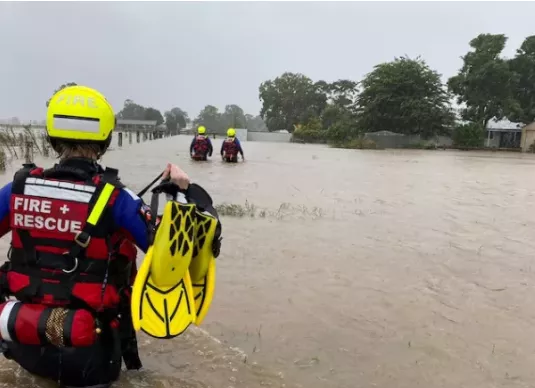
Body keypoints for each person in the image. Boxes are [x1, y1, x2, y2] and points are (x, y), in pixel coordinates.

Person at [0, 85, 219, 388]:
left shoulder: (17, 189)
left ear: (52, 136)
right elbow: (170, 258)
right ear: (105, 140)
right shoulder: (118, 199)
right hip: (91, 353)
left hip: (23, 338)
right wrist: (183, 194)